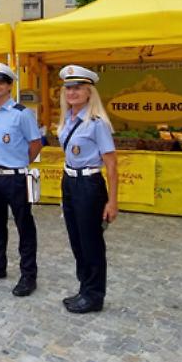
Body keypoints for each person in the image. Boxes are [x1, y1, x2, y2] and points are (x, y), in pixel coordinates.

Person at [57, 65, 119, 314]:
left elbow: (112, 165)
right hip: (70, 181)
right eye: (68, 88)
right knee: (76, 239)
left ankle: (94, 296)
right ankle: (84, 288)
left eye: (78, 88)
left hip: (90, 185)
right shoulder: (68, 119)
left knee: (91, 242)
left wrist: (112, 202)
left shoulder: (97, 124)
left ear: (89, 92)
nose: (72, 93)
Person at [0, 62, 41, 298]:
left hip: (15, 177)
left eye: (1, 83)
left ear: (9, 85)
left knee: (24, 226)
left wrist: (21, 163)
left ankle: (28, 275)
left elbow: (35, 143)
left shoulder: (22, 114)